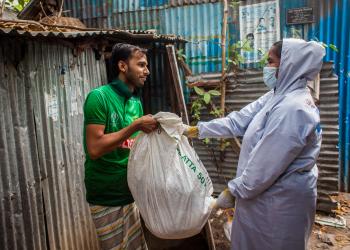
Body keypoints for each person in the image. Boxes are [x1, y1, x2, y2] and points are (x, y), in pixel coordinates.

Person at [186, 38, 325, 249]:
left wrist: (233, 191)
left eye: (270, 61)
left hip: (280, 201)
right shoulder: (277, 95)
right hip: (264, 193)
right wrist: (196, 130)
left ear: (288, 64)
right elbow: (238, 121)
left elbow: (265, 165)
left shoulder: (293, 109)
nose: (266, 68)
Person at [83, 43, 157, 250]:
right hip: (106, 194)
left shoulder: (135, 102)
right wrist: (135, 125)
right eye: (141, 65)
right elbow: (95, 148)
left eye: (146, 65)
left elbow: (134, 146)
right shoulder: (99, 97)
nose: (147, 71)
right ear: (123, 66)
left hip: (130, 191)